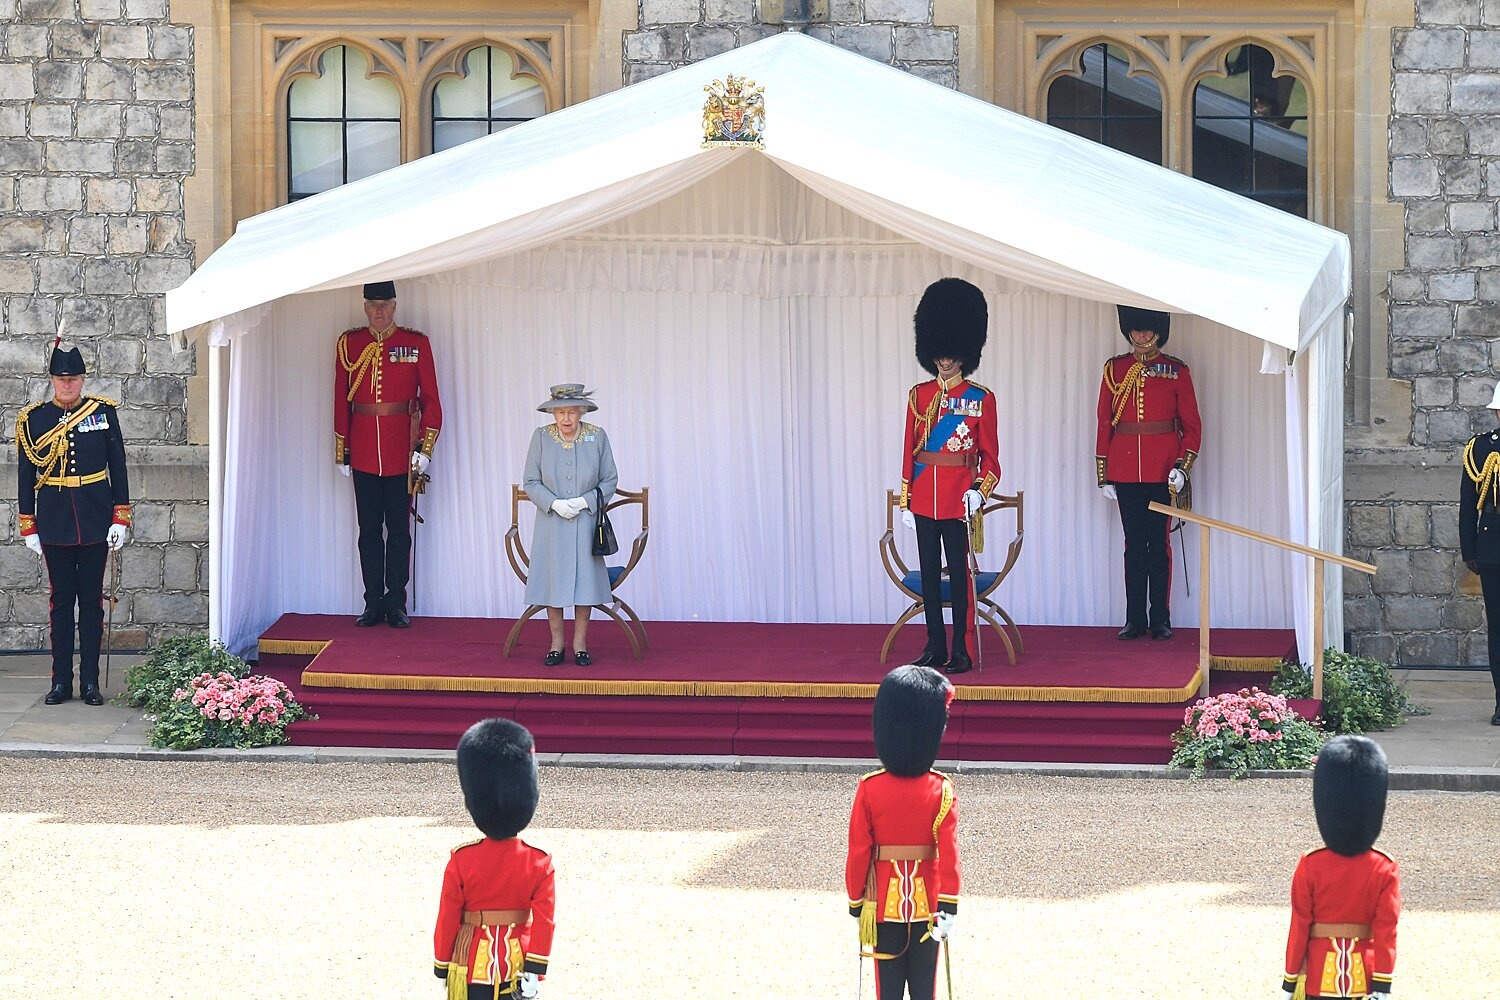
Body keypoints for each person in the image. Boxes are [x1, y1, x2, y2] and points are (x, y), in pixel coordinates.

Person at [15, 340, 131, 706]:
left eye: (74, 379)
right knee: (61, 603)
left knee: (93, 603)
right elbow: (24, 473)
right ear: (52, 380)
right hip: (55, 519)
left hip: (96, 519)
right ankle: (61, 682)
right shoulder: (34, 419)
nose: (67, 384)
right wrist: (28, 523)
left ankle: (91, 683)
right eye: (61, 379)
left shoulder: (103, 413)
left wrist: (120, 516)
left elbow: (119, 466)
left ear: (83, 380)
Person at [898, 278, 1001, 675]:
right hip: (924, 499)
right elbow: (910, 450)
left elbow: (991, 460)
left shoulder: (981, 399)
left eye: (951, 354)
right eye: (939, 353)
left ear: (965, 353)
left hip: (959, 501)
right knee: (928, 576)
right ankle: (934, 645)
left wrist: (980, 490)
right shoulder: (918, 396)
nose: (945, 361)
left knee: (960, 577)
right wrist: (907, 499)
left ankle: (962, 648)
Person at [845, 665, 960, 1000]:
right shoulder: (942, 789)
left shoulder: (870, 788)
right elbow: (949, 855)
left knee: (888, 993)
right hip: (929, 910)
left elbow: (859, 851)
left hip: (881, 906)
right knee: (926, 991)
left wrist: (856, 902)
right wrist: (948, 905)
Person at [334, 280, 443, 629]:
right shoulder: (350, 345)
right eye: (372, 304)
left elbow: (431, 401)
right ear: (364, 307)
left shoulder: (415, 343)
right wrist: (343, 449)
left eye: (385, 304)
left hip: (401, 453)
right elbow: (341, 399)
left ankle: (396, 602)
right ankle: (372, 604)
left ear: (395, 306)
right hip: (364, 451)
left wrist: (425, 449)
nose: (379, 310)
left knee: (398, 530)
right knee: (368, 531)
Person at [1095, 305, 1202, 641]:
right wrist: (1104, 473)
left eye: (1146, 329)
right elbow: (1103, 422)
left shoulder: (1176, 371)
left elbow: (1193, 427)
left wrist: (1182, 468)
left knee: (1158, 545)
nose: (1140, 335)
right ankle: (1134, 619)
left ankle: (1160, 618)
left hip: (1163, 471)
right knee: (1132, 546)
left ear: (1158, 330)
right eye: (1135, 329)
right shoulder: (1115, 370)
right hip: (1125, 470)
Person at [434, 717, 555, 1000]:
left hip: (469, 963)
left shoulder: (462, 860)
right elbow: (544, 921)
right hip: (517, 964)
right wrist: (535, 967)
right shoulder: (539, 863)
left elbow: (448, 915)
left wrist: (442, 963)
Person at [1280, 735, 1399, 999]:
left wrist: (1290, 981)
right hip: (1365, 979)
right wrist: (1382, 984)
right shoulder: (1384, 867)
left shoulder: (1311, 864)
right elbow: (1385, 931)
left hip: (1317, 978)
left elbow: (1299, 926)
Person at [522, 384, 618, 666]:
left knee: (584, 583)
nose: (566, 418)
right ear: (552, 413)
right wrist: (554, 503)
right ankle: (556, 644)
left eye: (572, 412)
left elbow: (609, 480)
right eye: (560, 412)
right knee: (553, 583)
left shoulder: (597, 437)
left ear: (582, 412)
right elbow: (530, 481)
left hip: (586, 521)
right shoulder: (540, 437)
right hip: (551, 523)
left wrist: (584, 502)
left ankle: (580, 644)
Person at [1459, 386, 1500, 726]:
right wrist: (1469, 550)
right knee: (1498, 629)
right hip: (1493, 550)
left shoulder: (1486, 448)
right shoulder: (1482, 447)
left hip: (1491, 548)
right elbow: (1467, 505)